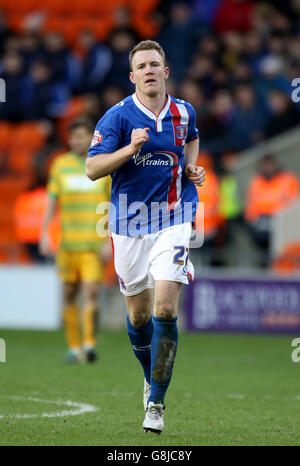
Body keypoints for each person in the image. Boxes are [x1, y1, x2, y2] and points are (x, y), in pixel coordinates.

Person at [86, 40, 205, 434]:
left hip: (173, 217)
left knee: (166, 309)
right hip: (128, 225)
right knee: (138, 316)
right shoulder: (117, 118)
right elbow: (92, 168)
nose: (150, 70)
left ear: (165, 71)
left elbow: (192, 139)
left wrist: (191, 169)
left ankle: (155, 402)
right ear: (133, 76)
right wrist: (129, 149)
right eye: (142, 65)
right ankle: (150, 375)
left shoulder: (183, 111)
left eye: (156, 63)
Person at [39, 119, 111, 363]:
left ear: (92, 137)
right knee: (69, 295)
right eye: (73, 137)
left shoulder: (102, 165)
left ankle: (89, 344)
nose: (77, 141)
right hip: (68, 243)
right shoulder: (60, 165)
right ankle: (73, 346)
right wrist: (45, 233)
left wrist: (107, 240)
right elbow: (51, 201)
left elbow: (110, 205)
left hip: (92, 244)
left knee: (90, 292)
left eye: (82, 136)